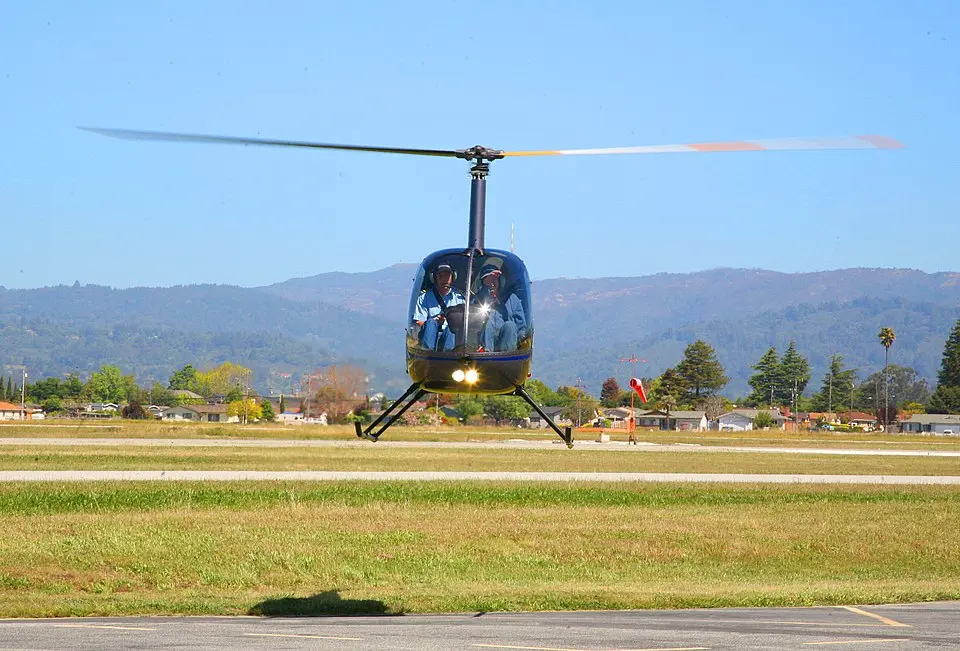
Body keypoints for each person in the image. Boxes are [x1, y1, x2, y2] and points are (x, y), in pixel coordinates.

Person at [474, 263, 527, 352]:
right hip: (485, 346)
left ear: (500, 281)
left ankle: (507, 360)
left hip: (507, 346)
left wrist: (522, 343)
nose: (491, 283)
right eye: (487, 280)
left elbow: (522, 328)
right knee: (488, 324)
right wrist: (486, 288)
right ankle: (486, 357)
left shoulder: (512, 299)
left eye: (494, 279)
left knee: (510, 326)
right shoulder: (478, 299)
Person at [413, 263, 465, 351]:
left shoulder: (460, 298)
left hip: (450, 335)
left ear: (453, 278)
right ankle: (428, 355)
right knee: (430, 323)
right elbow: (419, 322)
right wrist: (436, 322)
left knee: (452, 327)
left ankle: (449, 356)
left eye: (447, 276)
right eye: (441, 276)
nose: (444, 279)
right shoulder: (424, 298)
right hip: (430, 334)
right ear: (434, 278)